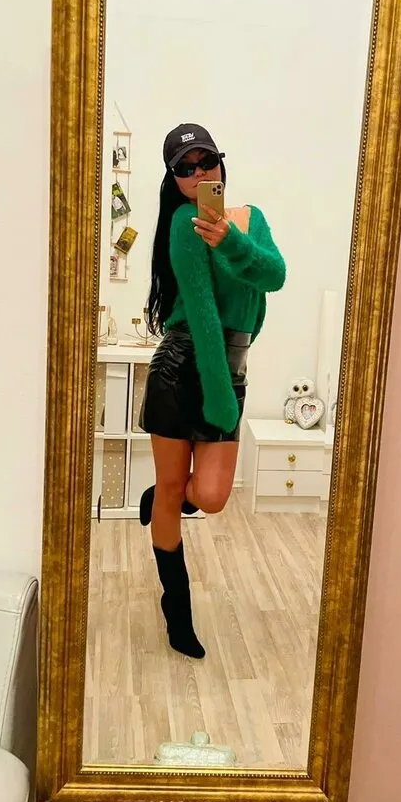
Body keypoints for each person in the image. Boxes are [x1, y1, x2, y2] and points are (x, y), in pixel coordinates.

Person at [138, 123, 286, 659]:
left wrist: (230, 239)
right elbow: (201, 314)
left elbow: (274, 276)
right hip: (183, 367)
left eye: (206, 161)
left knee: (213, 497)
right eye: (185, 167)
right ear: (174, 179)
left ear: (221, 164)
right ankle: (177, 611)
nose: (199, 173)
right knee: (174, 490)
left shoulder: (251, 218)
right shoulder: (184, 223)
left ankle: (164, 495)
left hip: (230, 371)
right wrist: (221, 398)